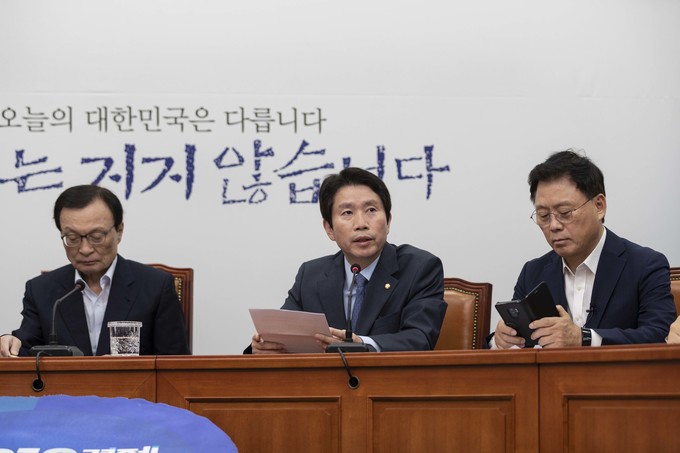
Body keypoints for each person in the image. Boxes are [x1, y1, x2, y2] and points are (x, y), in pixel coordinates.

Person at [247, 167, 447, 353]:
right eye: (347, 213)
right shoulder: (311, 276)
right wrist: (263, 348)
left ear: (388, 221)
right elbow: (281, 334)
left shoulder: (419, 268)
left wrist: (363, 345)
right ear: (329, 229)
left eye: (371, 210)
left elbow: (420, 338)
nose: (361, 224)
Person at [490, 150, 676, 349]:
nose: (554, 225)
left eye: (564, 212)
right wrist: (500, 340)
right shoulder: (533, 272)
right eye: (543, 216)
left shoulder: (645, 265)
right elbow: (511, 339)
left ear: (599, 206)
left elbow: (661, 335)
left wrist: (585, 338)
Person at [0, 185, 190, 357]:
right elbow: (25, 349)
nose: (85, 249)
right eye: (72, 238)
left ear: (119, 231)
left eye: (96, 236)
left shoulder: (156, 286)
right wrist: (9, 344)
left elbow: (175, 366)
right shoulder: (41, 290)